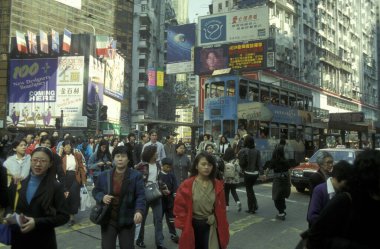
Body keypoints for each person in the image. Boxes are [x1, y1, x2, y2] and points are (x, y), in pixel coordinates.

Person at [306, 149, 380, 249]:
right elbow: (315, 232)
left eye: (332, 162)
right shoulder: (345, 199)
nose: (331, 165)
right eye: (328, 162)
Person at [5, 146, 69, 249]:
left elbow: (64, 216)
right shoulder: (19, 182)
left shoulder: (55, 186)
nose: (38, 164)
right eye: (35, 160)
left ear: (50, 164)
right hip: (19, 240)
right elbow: (9, 205)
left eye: (43, 161)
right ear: (30, 161)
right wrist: (9, 215)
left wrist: (36, 222)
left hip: (43, 241)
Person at [92, 146, 146, 249]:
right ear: (113, 159)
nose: (120, 159)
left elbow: (140, 195)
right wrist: (102, 197)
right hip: (108, 219)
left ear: (128, 159)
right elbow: (96, 190)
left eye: (123, 156)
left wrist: (139, 211)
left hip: (127, 219)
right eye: (117, 156)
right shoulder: (104, 175)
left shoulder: (136, 176)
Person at [173, 152, 229, 249]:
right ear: (196, 166)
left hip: (211, 225)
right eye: (203, 164)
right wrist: (183, 224)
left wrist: (222, 225)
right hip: (192, 226)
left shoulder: (218, 185)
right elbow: (179, 207)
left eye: (210, 165)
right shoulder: (187, 185)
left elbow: (222, 209)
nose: (206, 167)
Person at [135, 145, 167, 249]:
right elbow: (136, 179)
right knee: (142, 220)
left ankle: (160, 244)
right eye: (155, 152)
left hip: (156, 194)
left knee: (158, 220)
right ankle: (140, 240)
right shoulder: (142, 165)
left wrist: (163, 187)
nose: (157, 154)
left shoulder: (158, 164)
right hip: (144, 195)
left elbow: (158, 179)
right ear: (150, 154)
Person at [307, 160, 353, 226]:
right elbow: (312, 216)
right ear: (338, 178)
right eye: (346, 183)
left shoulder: (345, 190)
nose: (347, 186)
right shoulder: (320, 190)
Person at [59, 139, 87, 225]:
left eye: (69, 146)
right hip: (64, 178)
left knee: (74, 196)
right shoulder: (61, 156)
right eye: (65, 146)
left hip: (75, 177)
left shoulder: (77, 155)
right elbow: (57, 166)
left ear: (71, 147)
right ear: (63, 147)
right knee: (65, 196)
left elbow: (81, 167)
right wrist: (59, 154)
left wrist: (83, 180)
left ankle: (72, 217)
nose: (67, 148)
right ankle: (65, 214)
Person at [263, 145, 291, 220]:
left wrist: (265, 175)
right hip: (285, 180)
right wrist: (290, 182)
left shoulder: (274, 160)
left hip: (278, 180)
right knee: (282, 195)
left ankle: (281, 213)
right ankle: (282, 210)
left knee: (276, 197)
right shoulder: (286, 161)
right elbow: (289, 171)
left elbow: (268, 169)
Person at [238, 134, 263, 214]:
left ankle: (251, 208)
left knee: (249, 191)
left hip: (247, 173)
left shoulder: (243, 150)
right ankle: (254, 206)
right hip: (255, 174)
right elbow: (260, 164)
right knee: (251, 189)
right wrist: (262, 173)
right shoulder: (257, 151)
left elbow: (241, 163)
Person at [159, 157, 179, 243]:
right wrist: (162, 191)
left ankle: (173, 234)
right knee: (159, 218)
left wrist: (175, 192)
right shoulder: (158, 175)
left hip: (170, 201)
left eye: (170, 167)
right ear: (162, 166)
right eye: (167, 167)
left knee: (171, 218)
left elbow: (175, 185)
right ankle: (159, 236)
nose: (169, 169)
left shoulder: (171, 175)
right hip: (160, 201)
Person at [222, 147, 241, 212]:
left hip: (226, 179)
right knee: (233, 191)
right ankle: (237, 202)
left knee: (226, 193)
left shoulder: (223, 160)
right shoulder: (235, 160)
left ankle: (227, 207)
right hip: (234, 179)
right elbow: (238, 169)